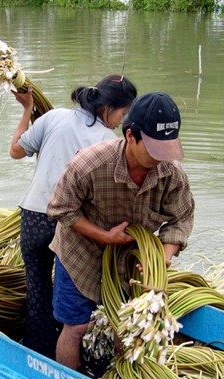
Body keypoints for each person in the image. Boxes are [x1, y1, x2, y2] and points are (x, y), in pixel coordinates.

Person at [47, 92, 195, 371]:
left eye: (166, 149)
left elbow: (182, 218)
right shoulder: (89, 165)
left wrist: (163, 254)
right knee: (76, 327)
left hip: (131, 261)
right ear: (130, 136)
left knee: (126, 325)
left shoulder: (172, 175)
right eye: (153, 149)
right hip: (81, 255)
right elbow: (60, 208)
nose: (161, 158)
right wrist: (104, 237)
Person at [9, 75, 137, 360]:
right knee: (71, 296)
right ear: (108, 108)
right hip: (68, 224)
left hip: (33, 217)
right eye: (123, 113)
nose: (122, 121)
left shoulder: (54, 117)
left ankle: (37, 353)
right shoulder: (109, 141)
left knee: (38, 291)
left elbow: (16, 150)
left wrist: (27, 109)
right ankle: (69, 354)